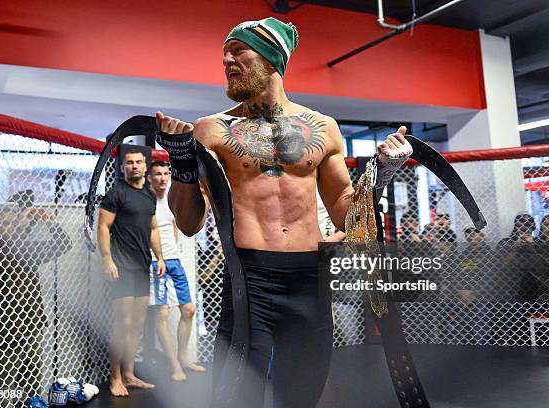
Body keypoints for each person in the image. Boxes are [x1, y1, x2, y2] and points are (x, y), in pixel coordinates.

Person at [155, 17, 413, 407]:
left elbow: (347, 214)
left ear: (272, 58)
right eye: (224, 52)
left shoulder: (323, 128)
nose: (227, 59)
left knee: (302, 393)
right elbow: (189, 224)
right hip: (249, 279)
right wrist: (181, 164)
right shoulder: (212, 129)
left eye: (238, 49)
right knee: (235, 396)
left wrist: (380, 176)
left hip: (310, 280)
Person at [0, 204, 72, 399]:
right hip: (4, 336)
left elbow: (63, 243)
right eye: (6, 223)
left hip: (31, 328)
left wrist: (48, 221)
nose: (12, 226)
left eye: (14, 222)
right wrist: (24, 225)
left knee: (31, 384)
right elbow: (9, 255)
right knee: (2, 389)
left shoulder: (28, 249)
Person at [97, 147, 166, 397]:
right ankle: (114, 377)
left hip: (142, 266)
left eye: (138, 162)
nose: (134, 166)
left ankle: (128, 374)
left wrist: (159, 257)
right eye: (129, 162)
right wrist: (107, 259)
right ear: (123, 167)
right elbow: (103, 227)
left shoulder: (148, 196)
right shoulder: (116, 194)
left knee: (136, 324)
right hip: (122, 268)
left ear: (145, 166)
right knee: (122, 325)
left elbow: (153, 229)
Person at [147, 160, 205, 381]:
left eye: (165, 173)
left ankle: (183, 358)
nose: (162, 178)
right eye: (157, 174)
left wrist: (174, 247)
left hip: (174, 260)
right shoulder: (146, 200)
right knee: (162, 314)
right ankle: (174, 366)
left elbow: (174, 225)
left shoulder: (171, 198)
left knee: (189, 309)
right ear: (150, 177)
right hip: (155, 262)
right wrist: (156, 256)